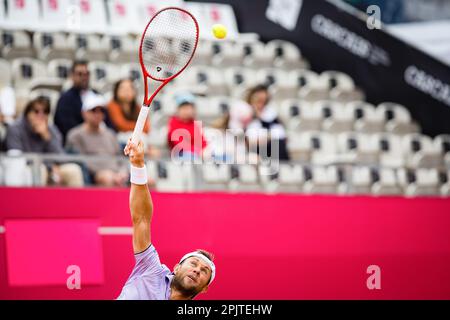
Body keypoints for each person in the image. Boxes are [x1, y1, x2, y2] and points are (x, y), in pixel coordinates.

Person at [118, 138, 215, 300]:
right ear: (176, 268)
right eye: (193, 263)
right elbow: (141, 218)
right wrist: (138, 165)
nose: (197, 270)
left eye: (204, 271)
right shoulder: (150, 269)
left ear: (204, 288)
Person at [5, 96, 84, 186]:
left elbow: (62, 158)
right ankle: (37, 200)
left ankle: (78, 200)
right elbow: (16, 160)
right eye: (36, 111)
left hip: (53, 168)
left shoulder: (51, 129)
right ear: (27, 112)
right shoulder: (16, 128)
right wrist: (50, 167)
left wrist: (47, 137)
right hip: (28, 169)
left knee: (73, 170)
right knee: (40, 169)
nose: (41, 115)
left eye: (45, 111)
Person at [66, 92, 128, 187]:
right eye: (94, 110)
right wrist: (107, 173)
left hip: (116, 174)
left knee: (149, 181)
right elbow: (81, 161)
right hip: (96, 176)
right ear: (84, 113)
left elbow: (120, 158)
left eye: (101, 111)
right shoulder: (75, 135)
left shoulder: (110, 134)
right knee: (107, 179)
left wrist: (122, 172)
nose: (98, 114)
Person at [244, 85, 290, 162]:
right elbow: (247, 140)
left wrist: (268, 137)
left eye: (264, 101)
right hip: (253, 151)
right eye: (259, 101)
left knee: (278, 145)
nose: (261, 105)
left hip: (270, 148)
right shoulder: (244, 113)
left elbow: (282, 135)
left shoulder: (270, 115)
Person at [167, 92, 207, 161]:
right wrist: (199, 152)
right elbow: (180, 145)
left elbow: (202, 141)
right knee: (191, 157)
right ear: (178, 110)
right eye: (184, 108)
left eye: (189, 108)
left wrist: (205, 150)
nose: (187, 111)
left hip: (196, 154)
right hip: (180, 155)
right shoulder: (173, 123)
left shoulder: (195, 124)